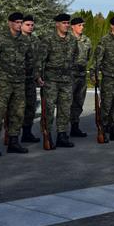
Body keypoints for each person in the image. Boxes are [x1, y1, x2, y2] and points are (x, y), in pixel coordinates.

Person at [0, 12, 32, 155]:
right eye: (17, 22)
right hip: (3, 82)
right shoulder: (0, 39)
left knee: (18, 113)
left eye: (21, 22)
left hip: (19, 82)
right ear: (10, 23)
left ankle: (13, 141)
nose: (19, 25)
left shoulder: (25, 41)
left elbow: (29, 61)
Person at [36, 13, 79, 149]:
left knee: (65, 109)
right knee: (48, 109)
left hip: (66, 80)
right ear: (57, 24)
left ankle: (62, 135)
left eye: (68, 23)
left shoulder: (72, 40)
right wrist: (38, 76)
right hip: (51, 80)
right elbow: (40, 59)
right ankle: (47, 134)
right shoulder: (48, 39)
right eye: (64, 23)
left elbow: (75, 57)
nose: (66, 25)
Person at [69, 16, 93, 138]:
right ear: (72, 26)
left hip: (82, 74)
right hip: (70, 75)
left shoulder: (86, 40)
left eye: (83, 25)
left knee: (78, 102)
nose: (82, 27)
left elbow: (88, 56)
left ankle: (75, 127)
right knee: (67, 102)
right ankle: (61, 130)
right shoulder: (67, 39)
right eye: (79, 25)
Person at [20, 14, 40, 143]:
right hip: (17, 80)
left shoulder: (36, 41)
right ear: (21, 25)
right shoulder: (16, 39)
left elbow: (39, 61)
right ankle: (12, 136)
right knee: (16, 109)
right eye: (27, 25)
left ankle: (27, 133)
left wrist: (38, 76)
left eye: (32, 25)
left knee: (30, 107)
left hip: (31, 79)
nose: (30, 27)